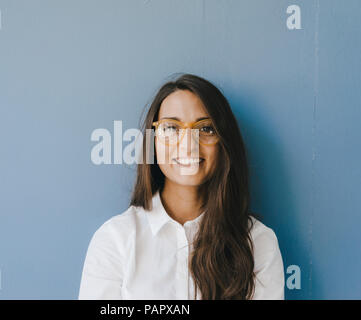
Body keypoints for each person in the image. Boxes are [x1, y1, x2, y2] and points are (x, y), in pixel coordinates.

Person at [78, 73, 285, 299]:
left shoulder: (258, 243)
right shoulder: (115, 240)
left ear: (224, 143)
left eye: (206, 129)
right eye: (171, 128)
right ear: (153, 140)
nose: (188, 145)